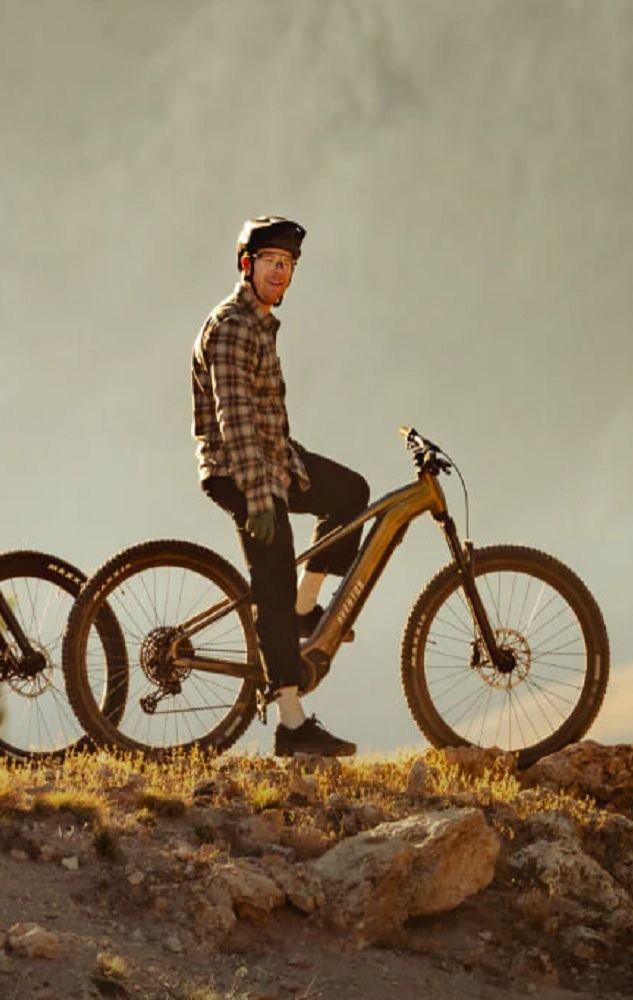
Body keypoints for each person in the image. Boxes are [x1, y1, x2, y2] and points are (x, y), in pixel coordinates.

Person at [191, 217, 370, 757]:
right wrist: (259, 499)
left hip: (275, 462)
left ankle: (303, 608)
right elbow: (236, 418)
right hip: (238, 470)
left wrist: (282, 474)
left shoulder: (262, 324)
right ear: (247, 266)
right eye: (270, 260)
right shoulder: (231, 326)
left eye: (287, 264)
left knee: (350, 494)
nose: (279, 271)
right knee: (271, 573)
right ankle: (291, 723)